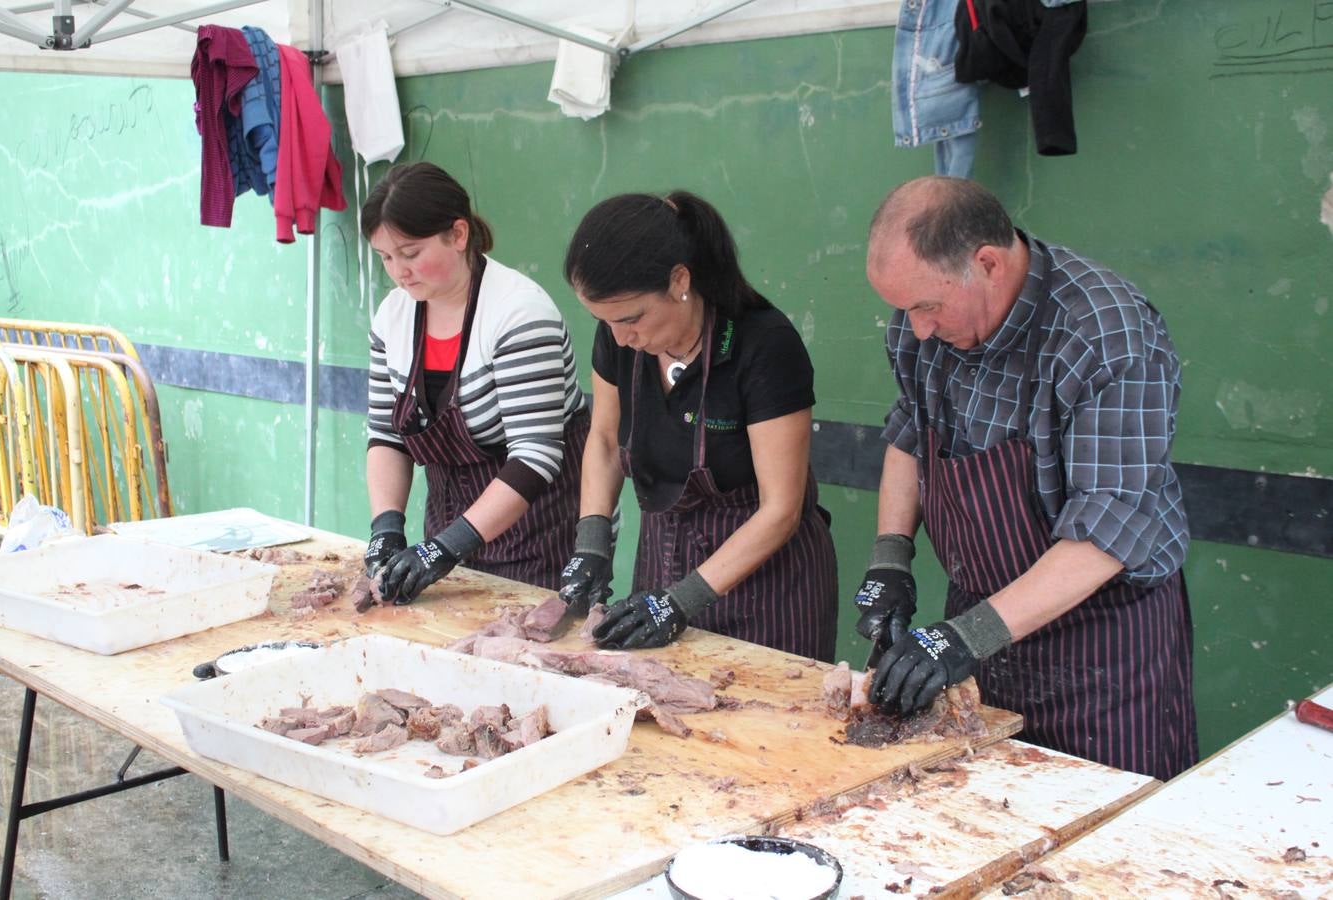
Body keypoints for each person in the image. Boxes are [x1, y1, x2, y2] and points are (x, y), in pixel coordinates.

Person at [858, 176, 1197, 781]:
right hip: (977, 630)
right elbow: (910, 437)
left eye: (926, 306)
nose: (917, 330)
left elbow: (1107, 532)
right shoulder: (924, 331)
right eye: (904, 309)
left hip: (1103, 650)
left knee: (1105, 847)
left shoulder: (1105, 333)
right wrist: (890, 560)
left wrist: (966, 638)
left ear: (986, 263)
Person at [557, 191, 838, 661]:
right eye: (604, 322)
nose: (622, 338)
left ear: (679, 281)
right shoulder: (620, 338)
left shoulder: (764, 345)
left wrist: (681, 603)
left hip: (765, 590)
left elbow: (781, 509)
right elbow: (605, 441)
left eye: (631, 319)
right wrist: (591, 543)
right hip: (661, 568)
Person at [361, 162, 590, 603]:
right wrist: (386, 527)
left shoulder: (519, 314)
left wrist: (446, 548)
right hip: (446, 529)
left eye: (410, 253)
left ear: (459, 234)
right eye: (385, 257)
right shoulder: (393, 315)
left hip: (536, 536)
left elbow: (535, 455)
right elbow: (386, 435)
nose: (399, 271)